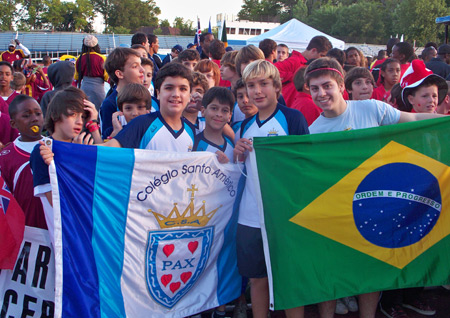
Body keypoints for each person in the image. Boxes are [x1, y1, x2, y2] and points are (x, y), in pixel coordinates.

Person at [305, 57, 445, 318]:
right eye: (315, 89)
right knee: (331, 274)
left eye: (326, 86)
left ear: (340, 86)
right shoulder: (312, 132)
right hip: (334, 211)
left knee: (369, 272)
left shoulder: (370, 108)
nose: (321, 94)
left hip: (372, 205)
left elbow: (412, 118)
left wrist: (444, 122)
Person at [234, 60, 308, 318]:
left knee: (288, 278)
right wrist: (238, 154)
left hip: (285, 214)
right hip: (251, 214)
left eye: (263, 83)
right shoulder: (245, 125)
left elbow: (305, 164)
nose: (257, 91)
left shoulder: (293, 118)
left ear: (276, 86)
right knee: (257, 279)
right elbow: (242, 168)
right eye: (251, 85)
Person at [30, 87, 101, 244]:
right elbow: (56, 202)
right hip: (63, 239)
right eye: (72, 114)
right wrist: (74, 158)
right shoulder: (43, 150)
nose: (79, 121)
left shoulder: (84, 144)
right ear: (56, 115)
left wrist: (94, 125)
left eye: (83, 116)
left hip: (89, 231)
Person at [105, 63, 196, 152]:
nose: (176, 94)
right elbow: (108, 149)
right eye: (169, 88)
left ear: (189, 96)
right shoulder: (141, 124)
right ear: (158, 93)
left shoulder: (190, 130)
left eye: (183, 89)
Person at [0, 95, 47, 229]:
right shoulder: (6, 158)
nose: (35, 118)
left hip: (56, 229)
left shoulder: (56, 147)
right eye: (26, 116)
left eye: (38, 113)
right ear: (13, 123)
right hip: (25, 233)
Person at [275, 36, 332, 107]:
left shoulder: (303, 62)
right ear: (313, 50)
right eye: (321, 55)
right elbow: (270, 70)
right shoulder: (295, 61)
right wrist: (294, 77)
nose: (322, 59)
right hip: (287, 104)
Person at [100, 47, 144, 139]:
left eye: (141, 65)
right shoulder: (110, 104)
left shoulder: (148, 98)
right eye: (135, 66)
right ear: (120, 74)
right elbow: (106, 141)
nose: (142, 70)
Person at [193, 86, 234, 163]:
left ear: (230, 116)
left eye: (225, 110)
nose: (219, 114)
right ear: (202, 111)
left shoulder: (231, 145)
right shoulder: (194, 144)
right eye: (214, 108)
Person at [75, 35, 108, 110]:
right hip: (99, 88)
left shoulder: (79, 59)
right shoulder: (102, 58)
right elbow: (106, 76)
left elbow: (76, 76)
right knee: (100, 109)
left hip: (85, 87)